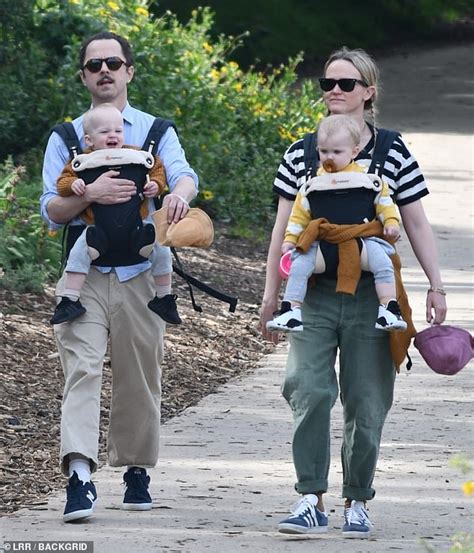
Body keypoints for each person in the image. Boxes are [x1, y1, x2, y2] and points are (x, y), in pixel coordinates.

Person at [259, 47, 447, 539]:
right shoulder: (302, 151)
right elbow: (283, 227)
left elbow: (415, 221)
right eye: (328, 83)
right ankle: (309, 497)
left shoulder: (392, 150)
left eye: (346, 84)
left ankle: (357, 500)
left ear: (369, 92)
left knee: (366, 401)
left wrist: (437, 284)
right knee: (308, 388)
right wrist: (270, 295)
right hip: (314, 291)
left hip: (371, 294)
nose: (335, 91)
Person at [40, 31, 198, 522]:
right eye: (93, 65)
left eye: (113, 62)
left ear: (130, 70)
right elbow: (51, 208)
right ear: (84, 76)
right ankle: (80, 477)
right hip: (82, 274)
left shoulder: (156, 131)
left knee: (139, 376)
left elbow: (183, 172)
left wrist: (179, 195)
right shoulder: (68, 138)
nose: (104, 70)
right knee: (82, 371)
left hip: (142, 275)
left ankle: (134, 470)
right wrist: (92, 194)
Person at [267, 114, 407, 333]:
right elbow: (299, 216)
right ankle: (291, 309)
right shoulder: (312, 185)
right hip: (324, 244)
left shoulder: (370, 182)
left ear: (354, 151)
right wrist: (290, 240)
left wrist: (391, 222)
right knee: (300, 264)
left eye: (337, 152)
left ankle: (388, 306)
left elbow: (385, 204)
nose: (329, 157)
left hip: (360, 241)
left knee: (383, 261)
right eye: (324, 151)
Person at [50, 103, 182, 326]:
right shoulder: (82, 161)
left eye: (118, 131)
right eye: (104, 132)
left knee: (161, 247)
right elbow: (62, 182)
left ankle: (164, 297)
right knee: (78, 253)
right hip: (97, 230)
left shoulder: (135, 154)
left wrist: (157, 185)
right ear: (89, 140)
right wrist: (76, 185)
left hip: (136, 230)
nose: (113, 136)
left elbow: (157, 169)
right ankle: (69, 300)